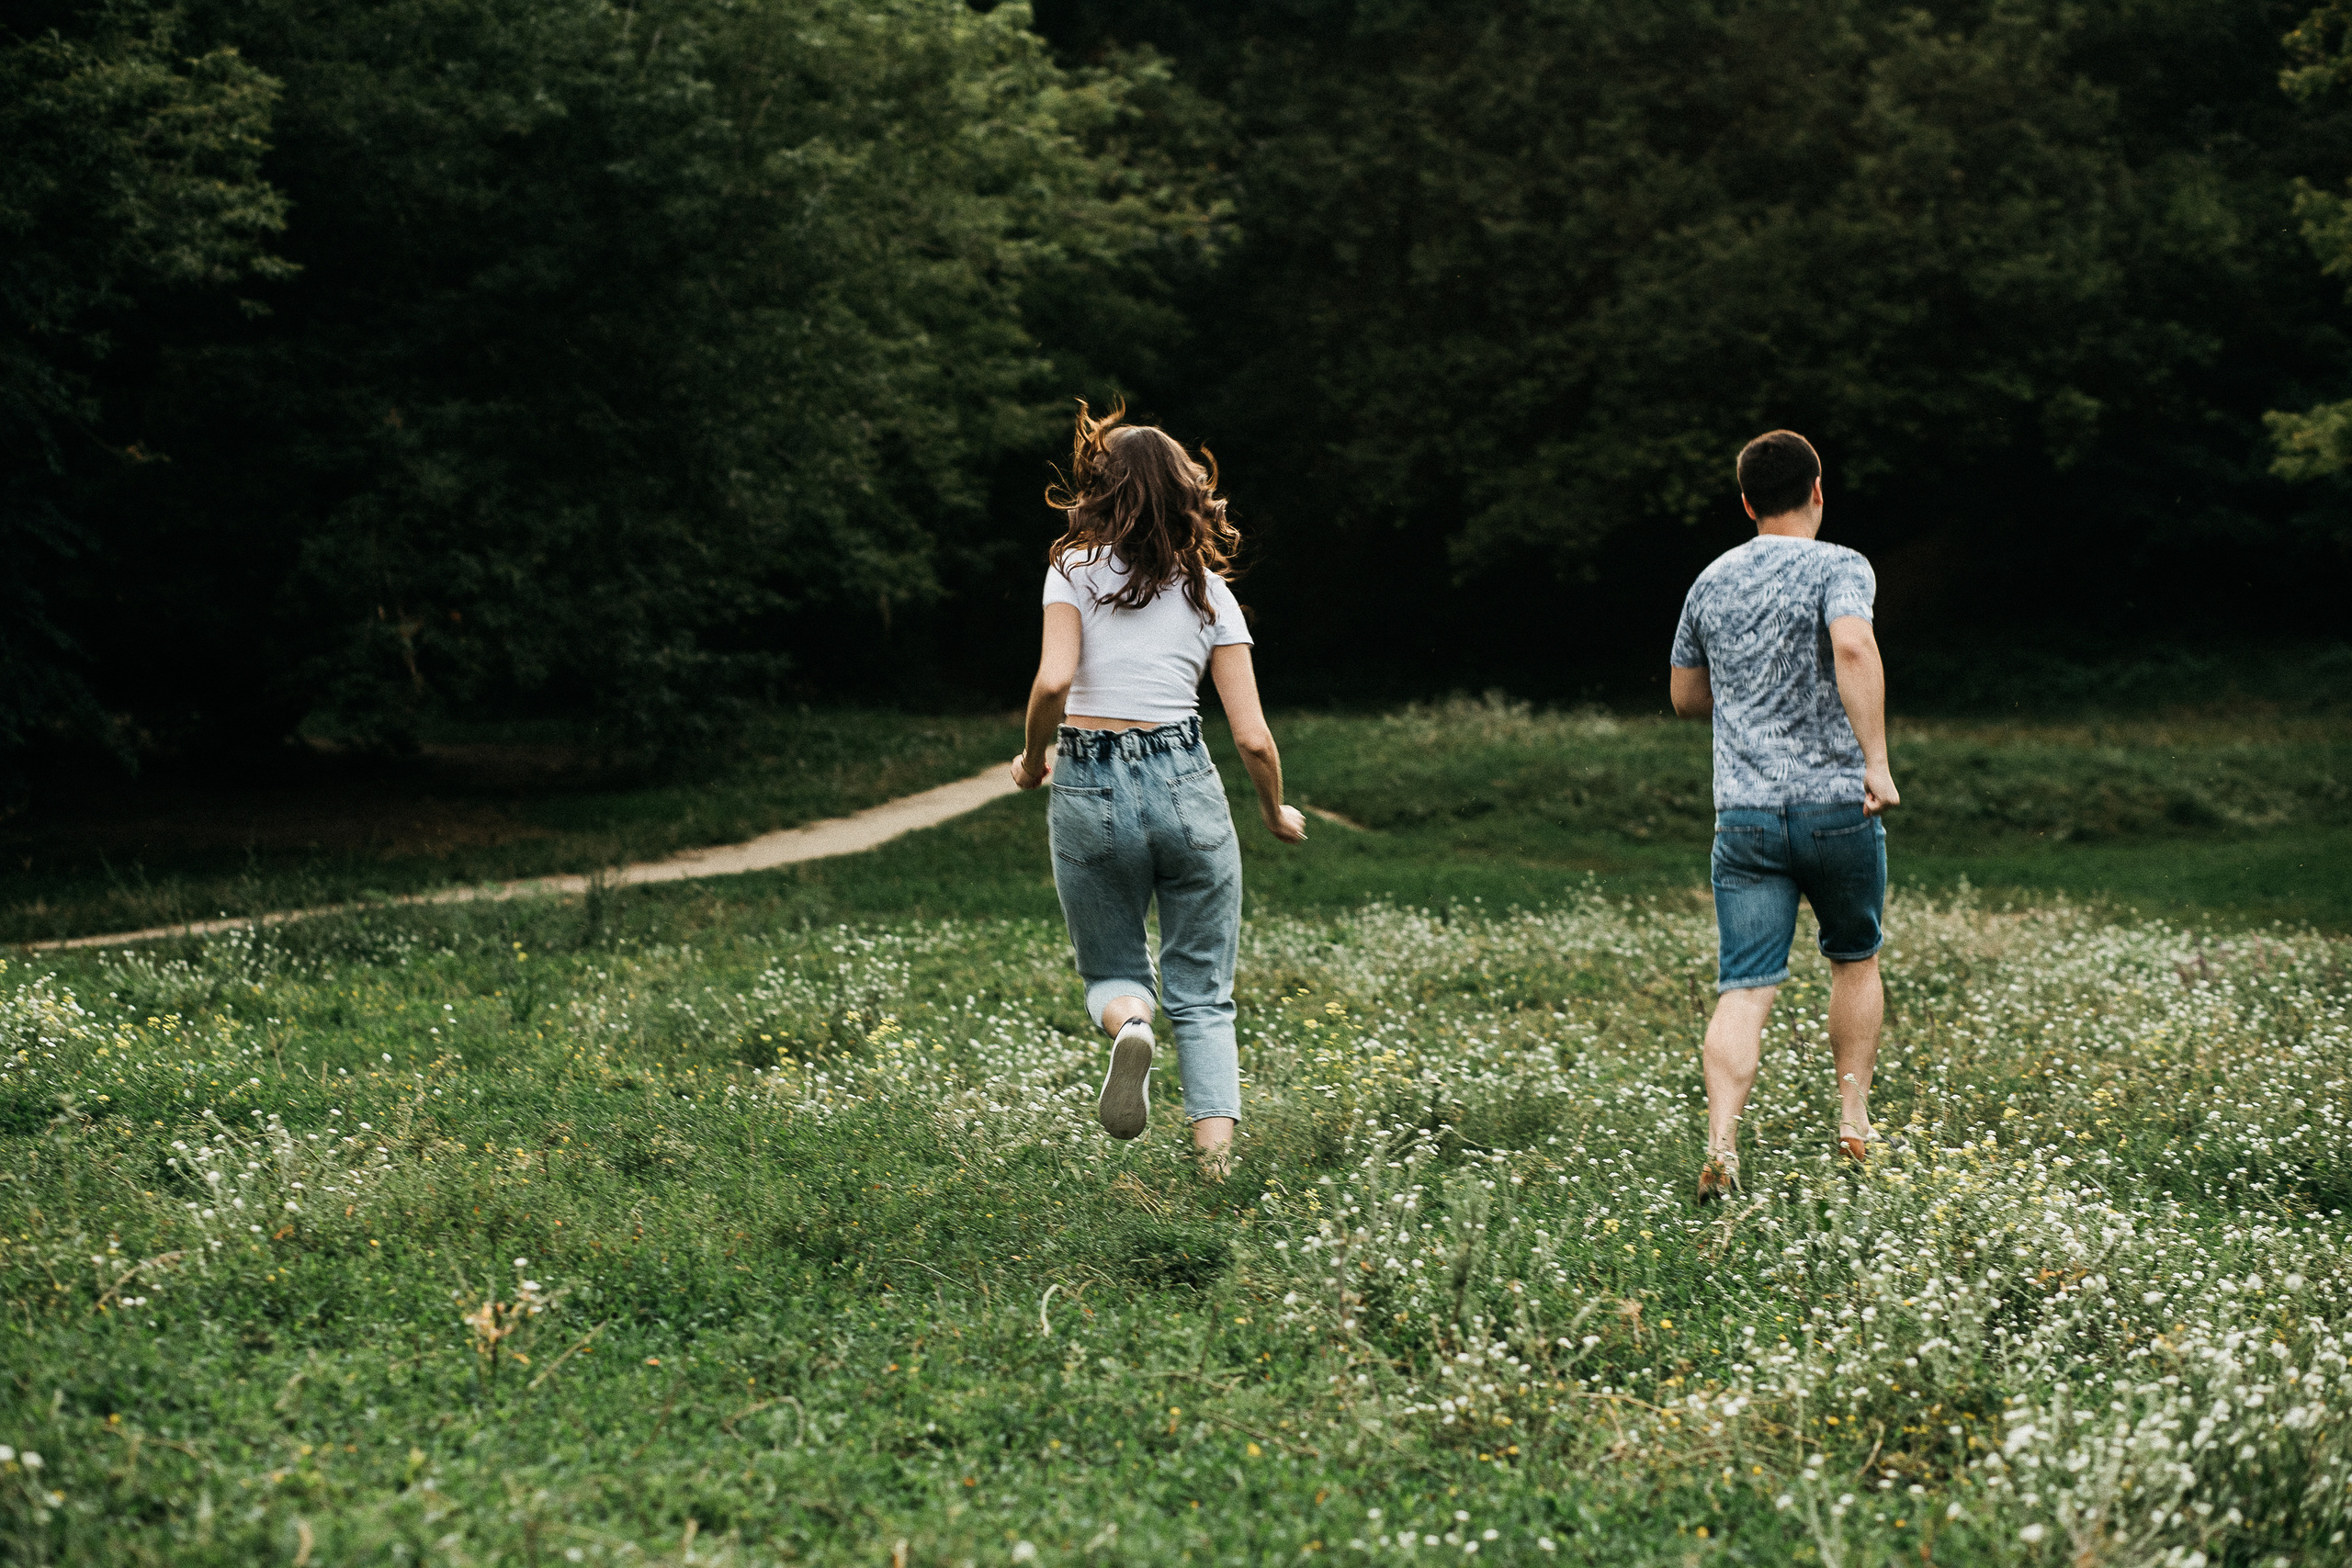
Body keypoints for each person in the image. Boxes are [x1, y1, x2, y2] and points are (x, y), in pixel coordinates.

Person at [1010, 401, 1306, 1179]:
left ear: (1102, 491)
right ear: (1187, 496)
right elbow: (1251, 735)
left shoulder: (1070, 569)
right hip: (1185, 780)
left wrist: (1034, 757)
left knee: (1110, 968)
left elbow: (1053, 680)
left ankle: (1130, 1024)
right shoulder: (1211, 591)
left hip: (1088, 779)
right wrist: (1274, 808)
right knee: (1204, 991)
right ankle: (1215, 1169)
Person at [1668, 430, 1900, 1205]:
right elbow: (1854, 647)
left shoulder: (1710, 580)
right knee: (1854, 957)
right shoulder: (1842, 564)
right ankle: (1855, 1124)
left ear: (1745, 503)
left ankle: (1722, 1143)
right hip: (1836, 805)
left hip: (1746, 817)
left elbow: (1685, 696)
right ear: (1818, 491)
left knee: (1745, 985)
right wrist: (1875, 760)